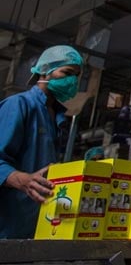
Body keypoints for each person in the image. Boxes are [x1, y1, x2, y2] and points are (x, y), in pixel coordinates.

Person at [0, 45, 83, 238]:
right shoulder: (19, 105)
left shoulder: (58, 117)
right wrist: (22, 180)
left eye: (76, 76)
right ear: (44, 70)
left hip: (36, 223)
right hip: (7, 223)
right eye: (67, 72)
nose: (72, 81)